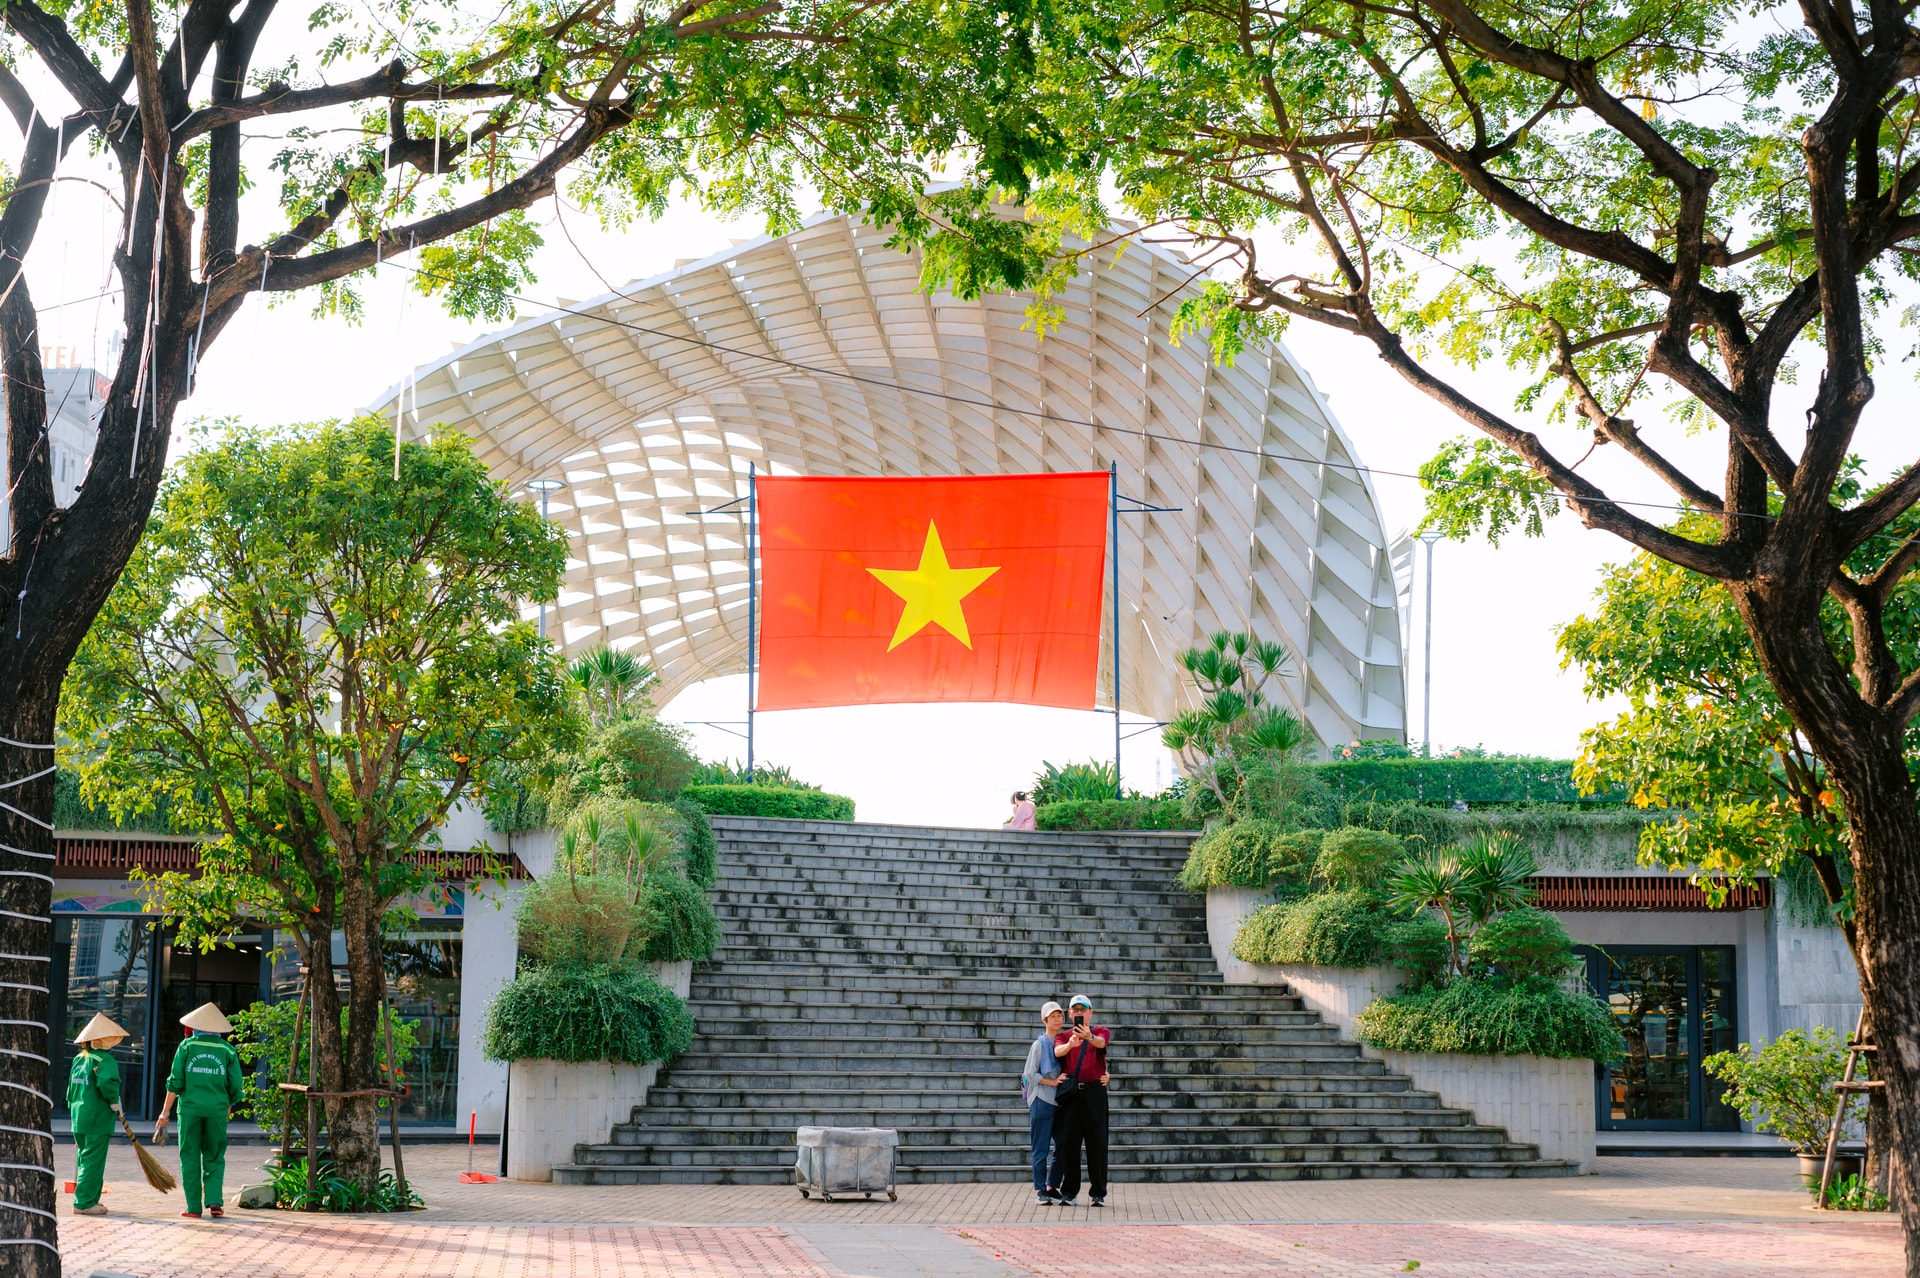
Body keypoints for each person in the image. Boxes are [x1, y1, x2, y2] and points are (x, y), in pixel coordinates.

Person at [153, 1002, 244, 1219]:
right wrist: (228, 1107)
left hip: (190, 1110)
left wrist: (164, 1113)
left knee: (190, 1156)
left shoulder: (186, 1047)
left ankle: (193, 1207)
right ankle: (215, 1202)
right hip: (217, 1110)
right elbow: (235, 1085)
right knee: (214, 1155)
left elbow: (174, 1082)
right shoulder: (227, 1050)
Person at [1046, 993, 1111, 1207]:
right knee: (1069, 1145)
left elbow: (1102, 1043)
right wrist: (1072, 1045)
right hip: (1072, 1095)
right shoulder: (1065, 1037)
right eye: (1076, 1010)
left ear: (1090, 1013)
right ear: (1070, 1014)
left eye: (1084, 1010)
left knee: (1097, 1143)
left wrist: (1088, 1037)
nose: (1080, 1013)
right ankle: (1069, 1192)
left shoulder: (1100, 1031)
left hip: (1094, 1093)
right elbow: (1057, 1050)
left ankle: (1098, 1193)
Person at [67, 1013, 129, 1217]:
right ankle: (84, 1203)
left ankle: (89, 1198)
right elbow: (107, 1084)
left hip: (78, 1116)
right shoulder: (106, 1059)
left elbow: (70, 1092)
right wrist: (115, 1102)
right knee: (93, 1161)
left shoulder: (79, 1059)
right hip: (97, 1118)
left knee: (84, 1159)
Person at [1021, 1001, 1066, 1204]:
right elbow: (1029, 1074)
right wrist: (1052, 1081)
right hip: (1041, 1100)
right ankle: (1040, 1190)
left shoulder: (1064, 1042)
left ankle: (1052, 1185)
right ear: (1044, 1020)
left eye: (1060, 1015)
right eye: (1053, 1016)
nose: (1057, 1019)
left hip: (1060, 1101)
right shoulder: (1039, 1045)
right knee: (1040, 1147)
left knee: (1063, 1145)